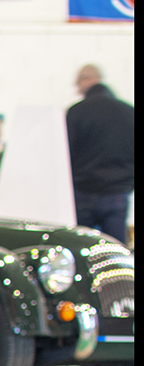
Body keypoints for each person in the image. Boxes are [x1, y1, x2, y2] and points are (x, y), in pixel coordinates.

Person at [65, 65, 134, 243]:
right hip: (117, 192)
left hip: (83, 193)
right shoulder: (128, 112)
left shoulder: (75, 112)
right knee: (116, 250)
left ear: (84, 81)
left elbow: (66, 155)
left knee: (82, 247)